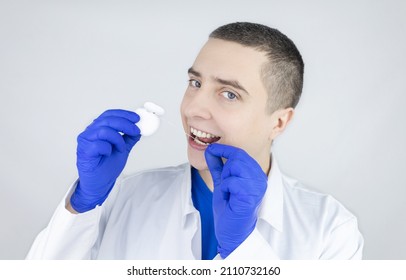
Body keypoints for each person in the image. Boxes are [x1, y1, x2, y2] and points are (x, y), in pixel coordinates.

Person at [26, 22, 363, 260]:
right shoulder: (122, 199)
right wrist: (82, 204)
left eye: (229, 94)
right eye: (195, 83)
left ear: (279, 121)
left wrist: (243, 254)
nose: (194, 108)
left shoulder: (330, 230)